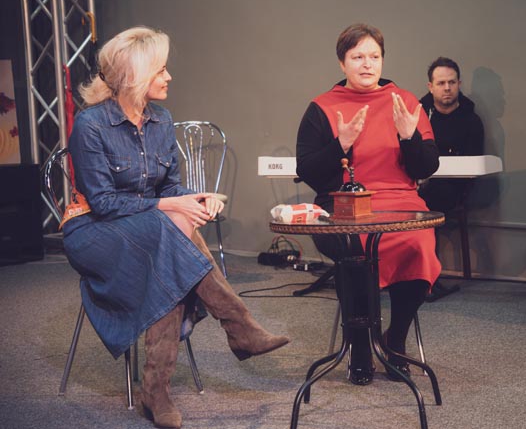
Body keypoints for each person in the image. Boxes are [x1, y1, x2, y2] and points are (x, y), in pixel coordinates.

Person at [63, 26, 289, 428]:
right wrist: (171, 205)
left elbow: (169, 188)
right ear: (134, 75)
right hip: (93, 231)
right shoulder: (91, 124)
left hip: (149, 230)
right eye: (160, 70)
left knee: (169, 242)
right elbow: (103, 203)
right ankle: (238, 324)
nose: (169, 77)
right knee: (168, 230)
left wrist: (197, 198)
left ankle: (158, 389)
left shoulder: (161, 119)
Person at [296, 23, 441, 385]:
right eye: (357, 56)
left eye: (374, 56)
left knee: (419, 244)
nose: (367, 64)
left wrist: (409, 137)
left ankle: (395, 340)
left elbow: (427, 167)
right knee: (354, 252)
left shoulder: (406, 103)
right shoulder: (322, 107)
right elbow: (307, 170)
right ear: (342, 63)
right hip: (343, 205)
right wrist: (340, 145)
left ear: (382, 60)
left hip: (402, 203)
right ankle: (359, 346)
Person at [418, 57, 484, 300]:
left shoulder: (471, 120)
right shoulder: (420, 115)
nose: (447, 88)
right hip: (419, 183)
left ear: (459, 84)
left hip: (454, 186)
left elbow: (471, 166)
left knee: (427, 204)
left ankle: (427, 279)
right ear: (430, 86)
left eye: (452, 82)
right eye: (441, 83)